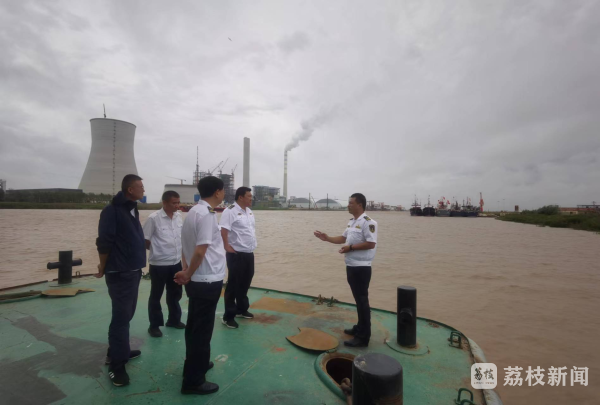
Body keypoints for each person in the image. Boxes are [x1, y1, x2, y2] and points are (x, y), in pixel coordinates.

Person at [174, 176, 225, 395]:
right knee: (201, 331)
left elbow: (186, 246)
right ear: (217, 192)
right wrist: (187, 273)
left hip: (198, 279)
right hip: (206, 280)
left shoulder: (194, 212)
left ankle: (197, 364)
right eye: (223, 190)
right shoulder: (206, 215)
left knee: (195, 327)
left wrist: (187, 270)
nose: (223, 194)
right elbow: (200, 250)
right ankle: (193, 381)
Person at [95, 174, 146, 386]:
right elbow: (104, 241)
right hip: (120, 272)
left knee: (127, 314)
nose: (143, 190)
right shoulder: (112, 210)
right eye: (140, 186)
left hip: (133, 270)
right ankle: (116, 366)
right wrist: (103, 265)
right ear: (130, 190)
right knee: (121, 318)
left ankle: (118, 350)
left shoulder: (131, 208)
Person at [313, 193, 378, 347]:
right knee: (358, 300)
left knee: (362, 301)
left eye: (351, 203)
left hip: (362, 268)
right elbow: (343, 239)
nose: (348, 205)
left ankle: (363, 337)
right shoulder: (352, 222)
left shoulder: (368, 222)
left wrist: (351, 248)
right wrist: (327, 238)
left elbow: (371, 243)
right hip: (351, 266)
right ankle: (360, 327)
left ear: (359, 205)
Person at [143, 190, 185, 338]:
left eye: (178, 202)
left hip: (175, 262)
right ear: (165, 203)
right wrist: (158, 250)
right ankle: (154, 326)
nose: (177, 206)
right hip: (159, 264)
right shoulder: (153, 218)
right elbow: (145, 240)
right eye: (174, 203)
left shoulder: (179, 217)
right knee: (156, 295)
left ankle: (173, 320)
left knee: (175, 293)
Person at [219, 186, 257, 329]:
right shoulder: (230, 211)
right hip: (236, 253)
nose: (251, 198)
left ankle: (241, 309)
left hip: (249, 252)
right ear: (240, 197)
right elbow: (224, 229)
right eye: (249, 196)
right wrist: (226, 246)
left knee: (246, 281)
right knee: (233, 284)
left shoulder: (249, 212)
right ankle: (228, 316)